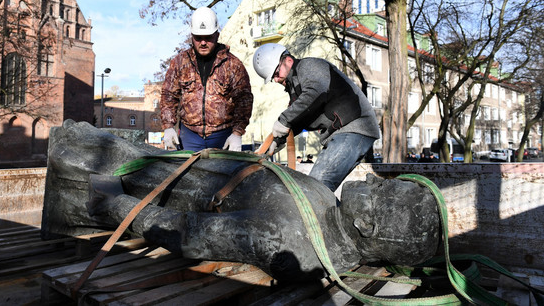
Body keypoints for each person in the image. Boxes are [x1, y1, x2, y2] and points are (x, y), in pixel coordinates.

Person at [42, 120, 440, 282]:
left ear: (368, 225)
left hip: (164, 187)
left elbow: (188, 233)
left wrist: (113, 207)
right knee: (92, 141)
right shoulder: (325, 204)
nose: (373, 179)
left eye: (383, 191)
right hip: (196, 169)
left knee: (74, 154)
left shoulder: (290, 239)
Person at [252, 43, 380, 192]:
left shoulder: (310, 66)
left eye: (275, 73)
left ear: (287, 60)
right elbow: (300, 118)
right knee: (317, 188)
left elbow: (314, 94)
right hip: (344, 132)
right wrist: (275, 142)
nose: (276, 80)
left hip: (355, 128)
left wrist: (284, 120)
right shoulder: (295, 87)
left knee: (316, 187)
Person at [161, 7, 253, 151]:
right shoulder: (179, 63)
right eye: (198, 38)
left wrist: (237, 133)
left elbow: (244, 100)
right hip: (189, 136)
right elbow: (168, 95)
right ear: (192, 35)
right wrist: (168, 126)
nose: (203, 42)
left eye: (208, 37)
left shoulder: (233, 65)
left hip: (223, 136)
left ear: (217, 34)